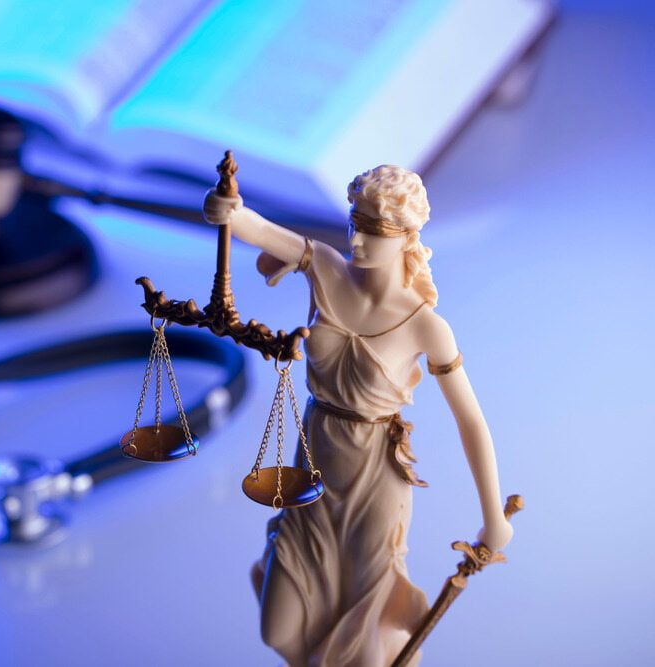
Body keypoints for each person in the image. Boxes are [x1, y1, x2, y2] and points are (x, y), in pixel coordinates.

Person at [202, 165, 513, 667]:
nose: (359, 241)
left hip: (375, 481)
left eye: (375, 232)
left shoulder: (426, 327)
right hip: (314, 467)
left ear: (408, 237)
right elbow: (257, 229)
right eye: (355, 225)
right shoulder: (325, 267)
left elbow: (471, 421)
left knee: (366, 646)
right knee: (278, 630)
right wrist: (228, 213)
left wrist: (493, 516)